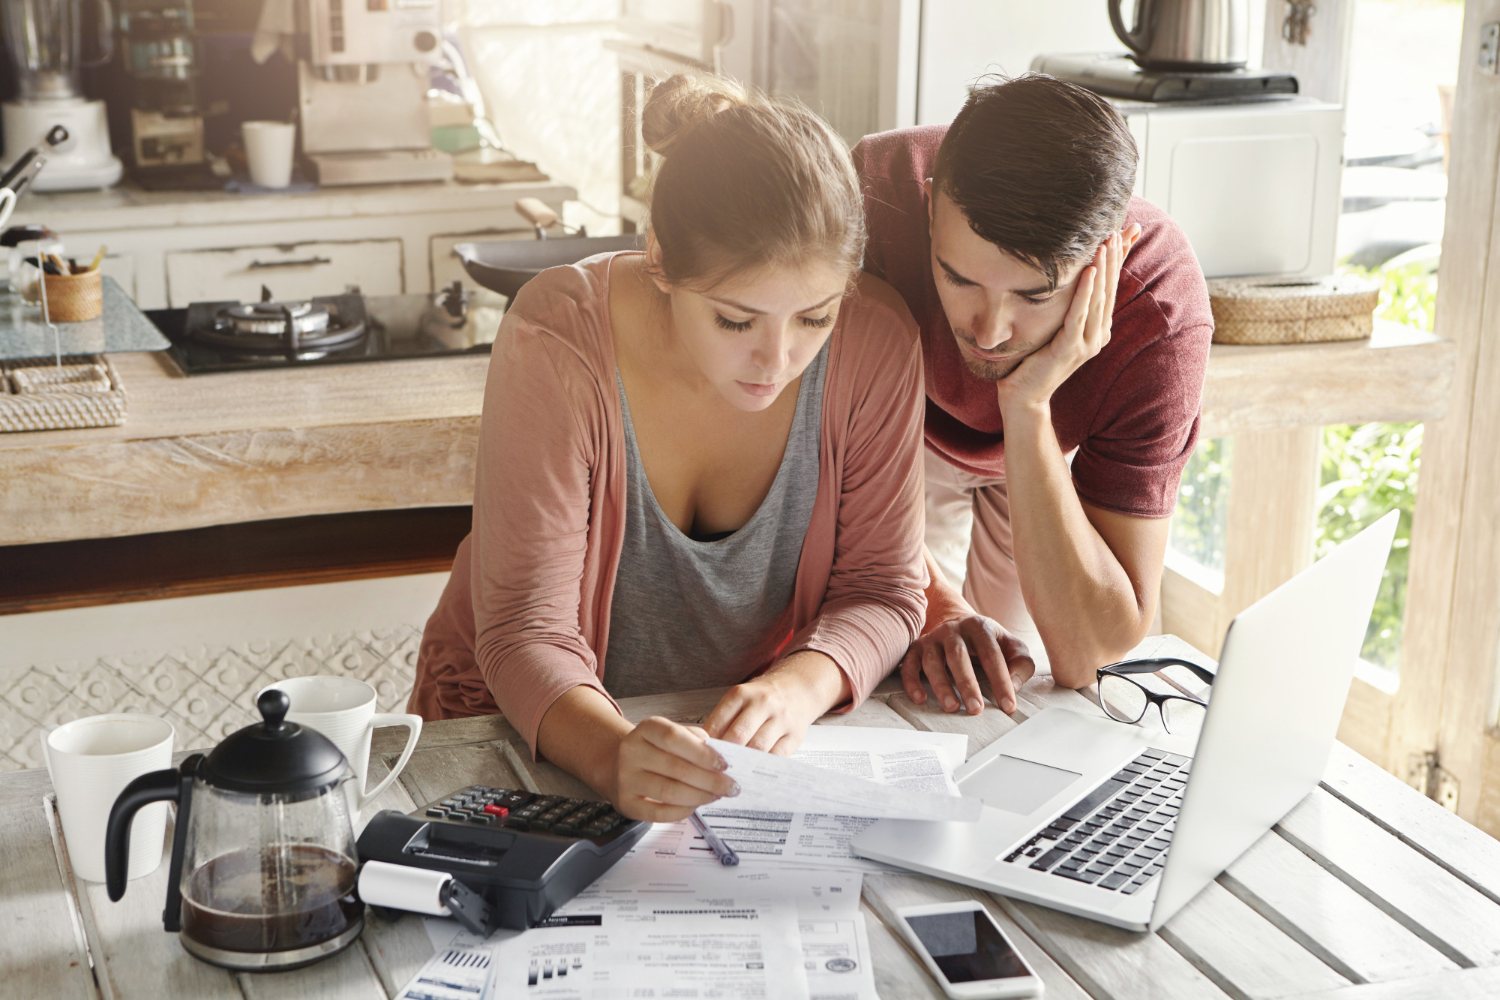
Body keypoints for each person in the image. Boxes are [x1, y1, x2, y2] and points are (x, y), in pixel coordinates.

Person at [408, 75, 928, 824]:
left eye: (814, 318)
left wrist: (795, 691)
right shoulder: (558, 338)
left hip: (717, 748)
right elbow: (525, 628)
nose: (777, 360)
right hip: (513, 725)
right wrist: (611, 753)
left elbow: (881, 588)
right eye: (735, 321)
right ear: (659, 261)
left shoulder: (877, 343)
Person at [852, 75, 1214, 714]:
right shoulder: (869, 198)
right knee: (901, 652)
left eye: (1034, 295)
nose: (989, 333)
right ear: (930, 208)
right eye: (959, 278)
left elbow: (1088, 651)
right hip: (888, 430)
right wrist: (937, 606)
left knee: (1016, 677)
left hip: (1044, 446)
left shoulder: (1160, 314)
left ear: (1107, 255)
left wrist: (1026, 405)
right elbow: (803, 456)